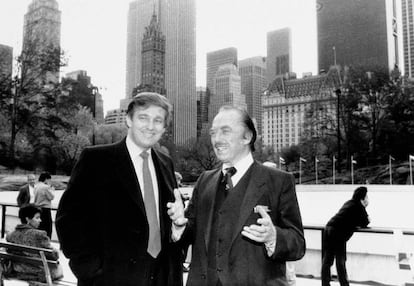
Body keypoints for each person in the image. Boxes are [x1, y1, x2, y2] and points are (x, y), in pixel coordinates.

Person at [167, 105, 305, 286]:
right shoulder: (204, 181)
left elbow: (297, 244)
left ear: (247, 137)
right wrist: (179, 228)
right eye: (213, 133)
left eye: (225, 131)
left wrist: (273, 237)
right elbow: (190, 232)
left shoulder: (279, 181)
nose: (217, 140)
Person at [56, 92, 183, 286]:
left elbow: (164, 220)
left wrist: (176, 231)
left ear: (164, 127)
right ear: (129, 120)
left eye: (158, 120)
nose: (150, 126)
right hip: (109, 278)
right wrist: (90, 269)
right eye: (143, 118)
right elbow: (69, 220)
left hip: (159, 277)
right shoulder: (96, 160)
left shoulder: (166, 163)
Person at [321, 186, 370, 286]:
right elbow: (365, 222)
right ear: (362, 198)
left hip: (328, 228)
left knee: (327, 259)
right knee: (340, 260)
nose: (368, 199)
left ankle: (325, 283)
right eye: (367, 197)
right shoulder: (359, 207)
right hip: (338, 232)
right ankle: (344, 284)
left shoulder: (349, 203)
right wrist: (365, 207)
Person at [6, 204, 63, 282]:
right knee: (59, 268)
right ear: (28, 219)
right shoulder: (40, 235)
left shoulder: (11, 235)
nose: (40, 220)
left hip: (18, 271)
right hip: (40, 273)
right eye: (37, 218)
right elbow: (54, 255)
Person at [34, 172, 55, 238]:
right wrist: (52, 190)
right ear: (46, 179)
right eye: (49, 180)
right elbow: (51, 197)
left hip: (37, 208)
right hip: (45, 209)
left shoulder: (36, 186)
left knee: (39, 227)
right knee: (47, 228)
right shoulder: (46, 187)